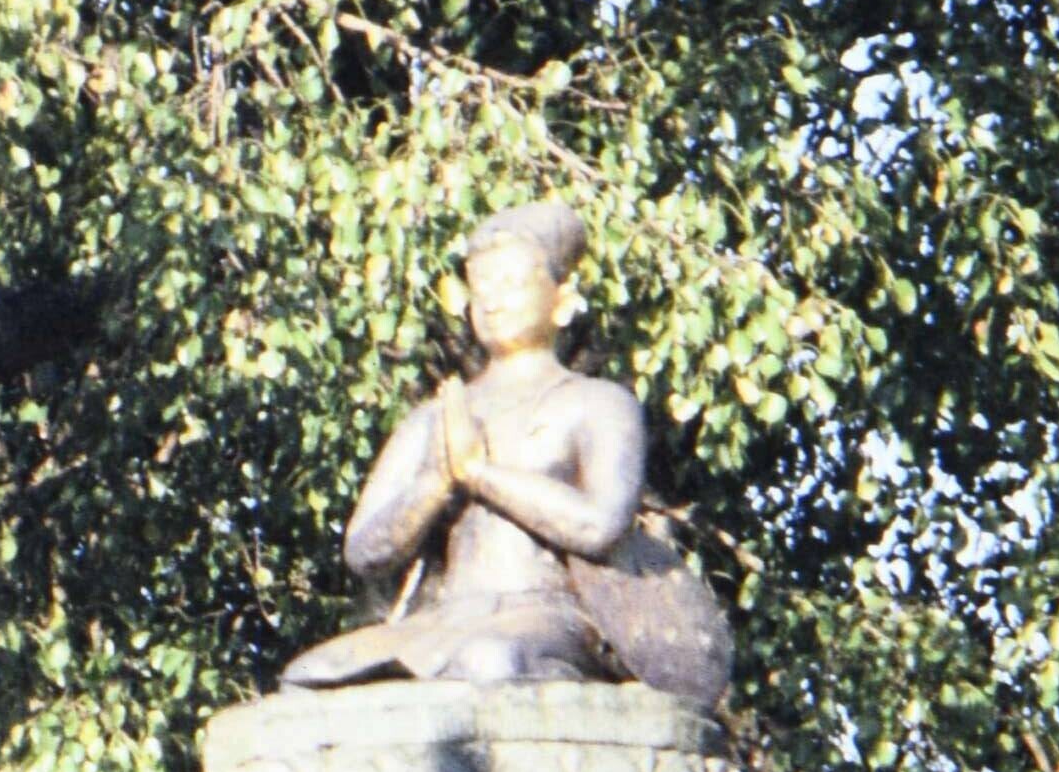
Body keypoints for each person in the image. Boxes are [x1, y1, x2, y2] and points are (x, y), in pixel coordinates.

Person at [283, 197, 733, 704]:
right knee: (309, 676)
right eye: (481, 287)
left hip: (546, 613)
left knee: (489, 662)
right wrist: (435, 483)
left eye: (511, 283)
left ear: (562, 299)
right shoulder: (437, 416)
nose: (492, 302)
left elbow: (601, 525)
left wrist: (480, 474)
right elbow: (364, 550)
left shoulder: (596, 403)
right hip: (445, 617)